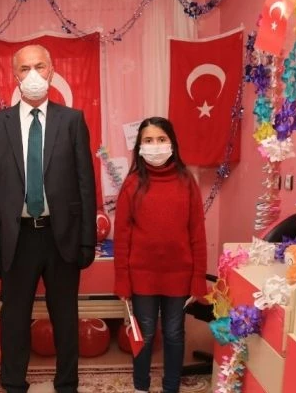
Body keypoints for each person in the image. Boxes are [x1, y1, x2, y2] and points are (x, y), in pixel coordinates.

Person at [0, 44, 97, 393]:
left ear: (52, 71)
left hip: (62, 236)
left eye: (39, 66)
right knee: (14, 318)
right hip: (16, 238)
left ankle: (67, 383)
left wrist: (87, 239)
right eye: (24, 68)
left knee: (65, 316)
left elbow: (86, 183)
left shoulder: (72, 121)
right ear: (14, 75)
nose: (33, 74)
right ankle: (13, 383)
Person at [113, 117, 207, 393]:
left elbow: (197, 234)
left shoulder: (187, 182)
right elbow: (122, 237)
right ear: (139, 146)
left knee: (175, 333)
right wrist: (122, 281)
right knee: (145, 333)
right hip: (142, 276)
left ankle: (171, 387)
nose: (155, 146)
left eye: (161, 139)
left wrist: (198, 279)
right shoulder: (132, 184)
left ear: (172, 143)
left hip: (178, 275)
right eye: (148, 140)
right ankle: (141, 387)